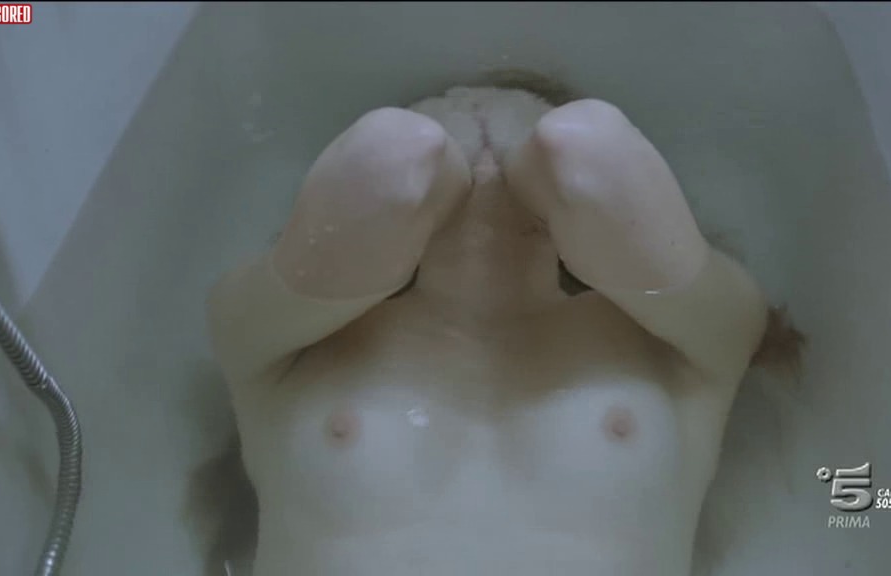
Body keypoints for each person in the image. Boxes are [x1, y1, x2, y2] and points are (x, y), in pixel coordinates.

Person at [196, 77, 803, 575]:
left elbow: (590, 155)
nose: (482, 144)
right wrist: (459, 159)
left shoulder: (695, 338)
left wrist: (528, 156)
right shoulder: (271, 337)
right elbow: (387, 163)